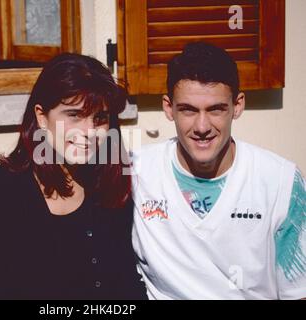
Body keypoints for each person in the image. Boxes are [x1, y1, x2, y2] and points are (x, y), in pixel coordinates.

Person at [0, 53, 147, 300]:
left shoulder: (109, 183)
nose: (89, 132)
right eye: (74, 115)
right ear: (41, 116)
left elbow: (125, 281)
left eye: (100, 118)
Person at [131, 42, 306, 299]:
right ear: (169, 108)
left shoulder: (280, 181)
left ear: (237, 106)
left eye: (215, 109)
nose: (202, 126)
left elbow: (298, 292)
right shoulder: (136, 171)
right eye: (188, 110)